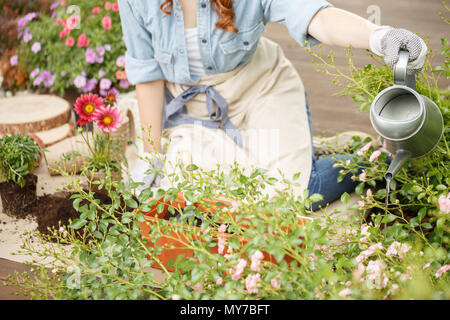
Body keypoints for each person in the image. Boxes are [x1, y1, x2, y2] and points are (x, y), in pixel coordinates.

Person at [117, 0, 427, 209]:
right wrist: (150, 154)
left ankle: (371, 163)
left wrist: (379, 36)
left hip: (260, 88)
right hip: (194, 109)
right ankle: (306, 149)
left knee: (291, 196)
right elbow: (148, 74)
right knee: (191, 199)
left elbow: (312, 14)